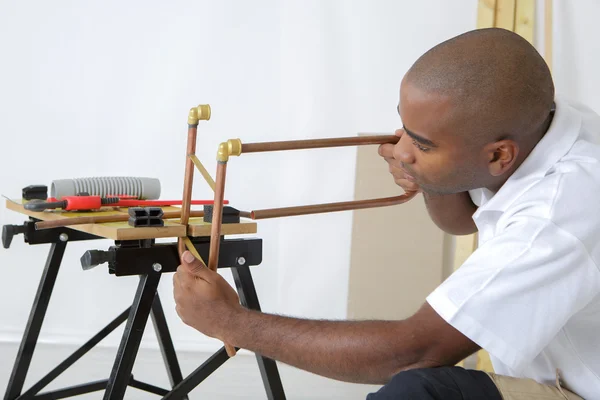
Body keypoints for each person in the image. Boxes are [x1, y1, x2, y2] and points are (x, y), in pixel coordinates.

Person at [173, 28, 600, 399]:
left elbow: (412, 352)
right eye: (405, 130)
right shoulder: (545, 127)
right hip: (562, 379)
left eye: (422, 144)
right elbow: (468, 220)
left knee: (413, 390)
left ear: (499, 156)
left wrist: (231, 322)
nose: (399, 152)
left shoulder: (557, 213)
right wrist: (428, 173)